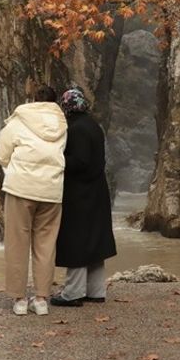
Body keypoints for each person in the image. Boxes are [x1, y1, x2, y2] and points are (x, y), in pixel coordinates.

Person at [0, 85, 68, 316]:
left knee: (17, 243)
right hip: (51, 191)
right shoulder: (62, 125)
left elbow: (1, 154)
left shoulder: (18, 121)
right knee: (46, 245)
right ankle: (41, 299)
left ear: (33, 100)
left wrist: (17, 169)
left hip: (21, 189)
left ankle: (19, 300)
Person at [49, 86, 117, 307]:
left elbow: (79, 161)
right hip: (97, 190)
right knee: (94, 241)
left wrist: (57, 159)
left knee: (76, 241)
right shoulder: (94, 126)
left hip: (80, 193)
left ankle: (73, 293)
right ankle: (96, 291)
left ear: (67, 107)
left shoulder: (76, 129)